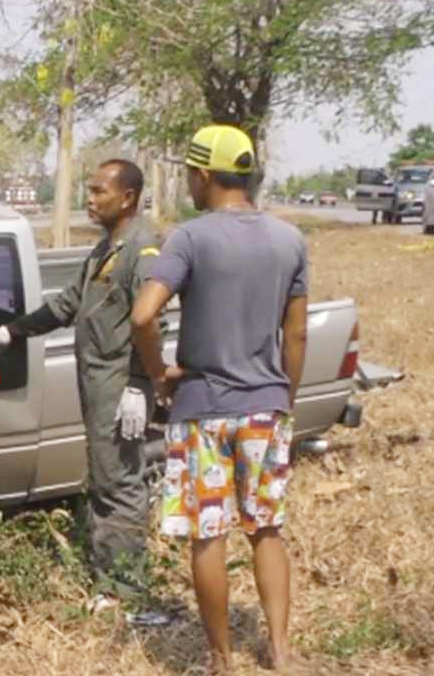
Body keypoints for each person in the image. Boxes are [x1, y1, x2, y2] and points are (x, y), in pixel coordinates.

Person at [130, 124, 307, 673]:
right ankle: (278, 650)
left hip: (203, 408)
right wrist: (283, 398)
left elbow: (142, 313)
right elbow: (295, 335)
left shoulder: (190, 238)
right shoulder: (289, 240)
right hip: (265, 408)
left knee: (209, 534)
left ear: (202, 175)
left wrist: (161, 371)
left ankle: (220, 658)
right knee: (267, 528)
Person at [0, 160, 165, 614]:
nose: (90, 199)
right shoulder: (104, 249)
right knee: (103, 479)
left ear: (129, 197)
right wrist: (11, 331)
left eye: (99, 191)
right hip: (98, 383)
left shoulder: (143, 248)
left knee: (121, 484)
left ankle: (129, 591)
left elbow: (149, 317)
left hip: (120, 385)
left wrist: (140, 381)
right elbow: (67, 306)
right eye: (89, 190)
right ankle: (109, 581)